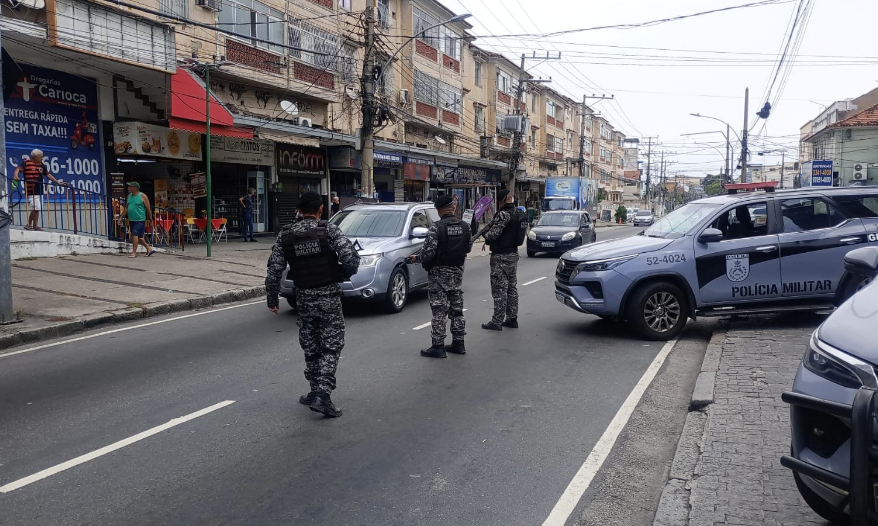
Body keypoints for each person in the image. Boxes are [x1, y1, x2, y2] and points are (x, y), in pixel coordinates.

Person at [265, 191, 360, 418]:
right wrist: (342, 274)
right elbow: (351, 259)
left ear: (299, 211)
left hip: (304, 298)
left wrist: (272, 298)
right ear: (320, 210)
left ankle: (314, 389)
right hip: (328, 295)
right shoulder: (328, 229)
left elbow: (274, 270)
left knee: (311, 344)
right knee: (332, 344)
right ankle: (323, 395)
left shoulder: (285, 235)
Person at [407, 194, 471, 358]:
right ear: (453, 208)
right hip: (457, 274)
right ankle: (459, 343)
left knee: (439, 312)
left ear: (439, 210)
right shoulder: (465, 227)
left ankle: (438, 346)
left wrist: (416, 258)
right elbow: (468, 248)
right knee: (457, 311)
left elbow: (428, 253)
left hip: (438, 277)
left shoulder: (437, 228)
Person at [481, 189, 520, 331]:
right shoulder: (517, 212)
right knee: (511, 288)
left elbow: (493, 235)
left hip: (501, 257)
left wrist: (485, 233)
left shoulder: (503, 214)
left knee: (499, 290)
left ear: (503, 199)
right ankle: (512, 318)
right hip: (513, 255)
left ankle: (497, 321)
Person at [12, 149, 68, 231]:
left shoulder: (41, 164)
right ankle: (31, 225)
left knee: (37, 208)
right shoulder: (26, 163)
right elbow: (18, 169)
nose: (42, 158)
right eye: (40, 156)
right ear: (34, 157)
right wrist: (16, 175)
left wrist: (58, 183)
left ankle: (32, 225)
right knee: (36, 207)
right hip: (31, 189)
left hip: (39, 189)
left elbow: (48, 175)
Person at [119, 182, 155, 258]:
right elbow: (126, 208)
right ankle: (149, 248)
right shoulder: (129, 196)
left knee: (134, 234)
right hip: (132, 219)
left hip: (140, 219)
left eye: (130, 187)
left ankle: (134, 252)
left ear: (135, 188)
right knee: (139, 237)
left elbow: (148, 209)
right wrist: (121, 217)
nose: (128, 188)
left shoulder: (142, 196)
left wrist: (151, 220)